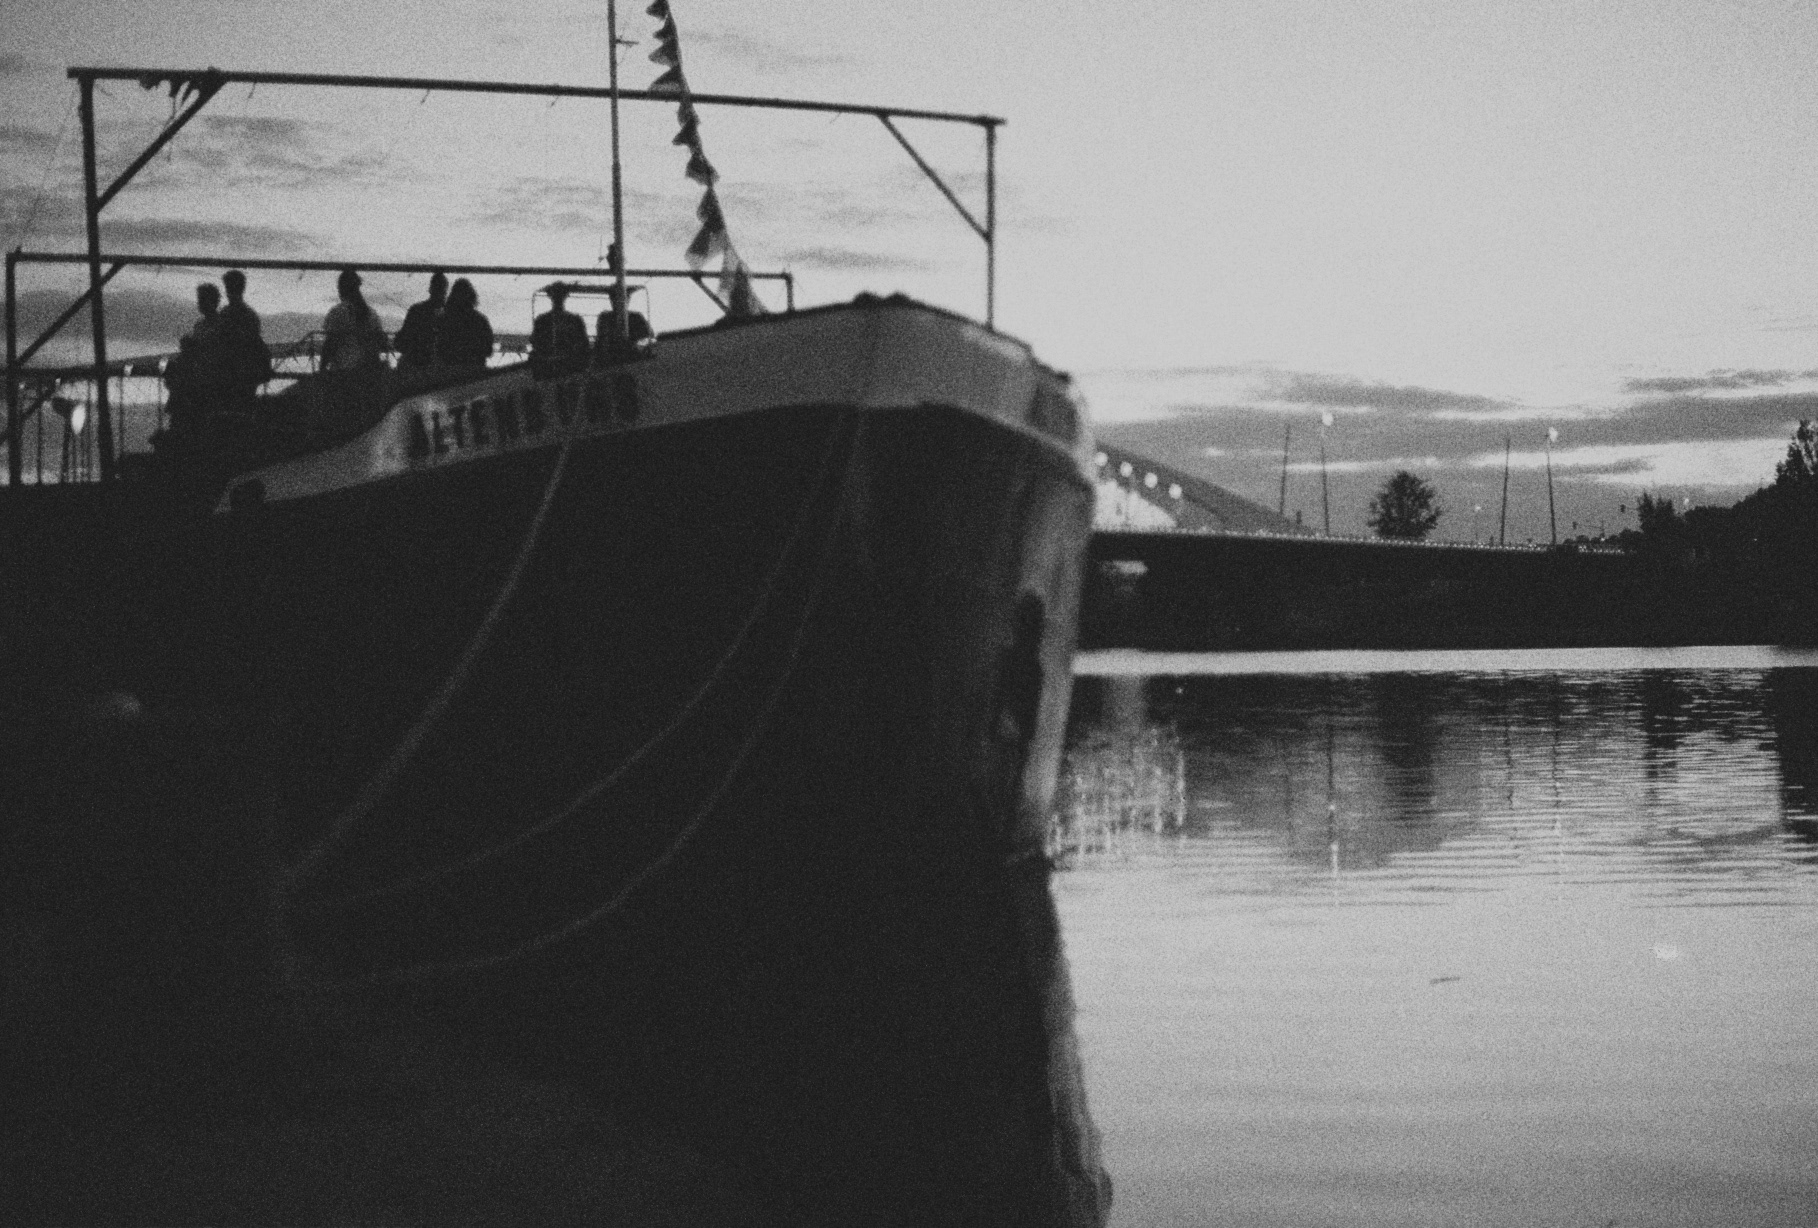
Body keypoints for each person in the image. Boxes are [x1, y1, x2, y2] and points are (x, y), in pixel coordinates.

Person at [217, 268, 272, 403]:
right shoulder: (250, 315)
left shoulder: (225, 315)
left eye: (228, 287)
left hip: (230, 374)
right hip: (246, 375)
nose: (227, 292)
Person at [321, 267, 389, 372]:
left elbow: (330, 344)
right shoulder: (372, 313)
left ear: (341, 288)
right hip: (370, 371)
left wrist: (322, 369)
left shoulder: (337, 312)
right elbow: (382, 342)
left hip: (343, 371)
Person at [530, 282, 590, 378]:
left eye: (559, 295)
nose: (557, 299)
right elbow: (536, 343)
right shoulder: (543, 320)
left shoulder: (574, 320)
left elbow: (583, 346)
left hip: (569, 368)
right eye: (556, 295)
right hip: (550, 367)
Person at [434, 278, 494, 371]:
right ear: (472, 297)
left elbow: (439, 348)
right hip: (475, 372)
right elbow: (488, 351)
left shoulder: (444, 319)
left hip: (449, 371)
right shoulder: (481, 320)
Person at [393, 270, 447, 371]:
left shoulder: (416, 310)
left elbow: (401, 342)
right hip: (442, 370)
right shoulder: (451, 314)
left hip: (416, 367)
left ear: (430, 289)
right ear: (446, 291)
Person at [593, 285, 652, 367]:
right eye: (615, 298)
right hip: (610, 360)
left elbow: (647, 338)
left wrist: (635, 346)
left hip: (634, 360)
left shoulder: (636, 317)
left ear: (628, 299)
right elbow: (602, 341)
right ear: (611, 300)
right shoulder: (605, 318)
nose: (619, 301)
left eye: (624, 298)